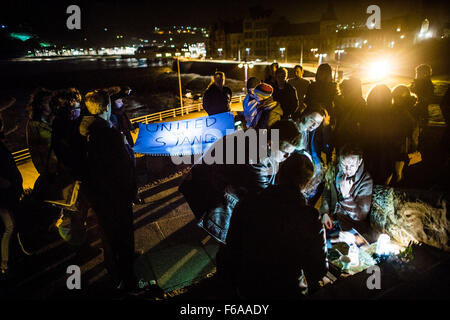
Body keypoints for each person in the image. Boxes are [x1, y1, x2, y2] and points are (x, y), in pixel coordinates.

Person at [217, 153, 328, 298]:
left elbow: (231, 247)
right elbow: (318, 270)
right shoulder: (310, 217)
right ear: (306, 183)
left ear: (279, 173)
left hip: (248, 286)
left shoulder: (247, 203)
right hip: (289, 291)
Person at [179, 120, 301, 244]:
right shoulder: (257, 159)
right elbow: (263, 196)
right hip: (209, 193)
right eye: (285, 153)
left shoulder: (258, 134)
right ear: (270, 144)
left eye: (290, 154)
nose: (287, 158)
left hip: (200, 179)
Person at [82, 89, 137, 290]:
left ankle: (114, 271)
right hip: (117, 195)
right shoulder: (109, 134)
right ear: (107, 107)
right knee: (122, 236)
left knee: (107, 235)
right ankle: (126, 278)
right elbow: (123, 168)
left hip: (99, 195)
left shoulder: (84, 131)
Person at [320, 144, 373, 237]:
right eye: (344, 165)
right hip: (332, 221)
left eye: (352, 165)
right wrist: (325, 213)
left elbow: (360, 215)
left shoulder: (365, 180)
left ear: (360, 162)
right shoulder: (335, 170)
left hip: (351, 228)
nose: (347, 170)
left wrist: (347, 196)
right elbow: (326, 192)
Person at [0, 109, 24, 277]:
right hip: (3, 194)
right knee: (9, 226)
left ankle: (16, 256)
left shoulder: (0, 139)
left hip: (11, 190)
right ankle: (5, 263)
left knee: (13, 224)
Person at [359, 84, 397, 185]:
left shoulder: (364, 115)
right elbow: (392, 143)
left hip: (366, 159)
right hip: (383, 162)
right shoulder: (392, 117)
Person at [304, 63, 337, 163]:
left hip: (327, 117)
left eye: (325, 73)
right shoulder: (312, 86)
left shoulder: (333, 88)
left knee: (327, 144)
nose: (322, 75)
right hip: (314, 117)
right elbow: (308, 101)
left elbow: (334, 104)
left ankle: (327, 163)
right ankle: (317, 163)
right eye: (321, 73)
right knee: (314, 143)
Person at [294, 108, 327, 205]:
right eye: (312, 121)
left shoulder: (307, 132)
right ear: (305, 115)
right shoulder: (294, 129)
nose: (314, 126)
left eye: (318, 124)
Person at [391, 85, 420, 183]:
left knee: (406, 168)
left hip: (404, 144)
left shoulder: (402, 111)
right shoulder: (412, 108)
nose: (395, 99)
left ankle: (406, 180)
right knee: (412, 166)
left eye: (397, 97)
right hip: (411, 144)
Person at [333, 78, 365, 150]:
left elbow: (335, 117)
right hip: (353, 136)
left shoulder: (339, 100)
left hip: (341, 134)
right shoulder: (360, 102)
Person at [410, 64, 434, 128]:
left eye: (418, 73)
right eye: (417, 73)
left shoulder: (427, 84)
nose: (417, 75)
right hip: (414, 110)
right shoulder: (416, 82)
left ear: (424, 73)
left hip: (421, 111)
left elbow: (427, 98)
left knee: (420, 129)